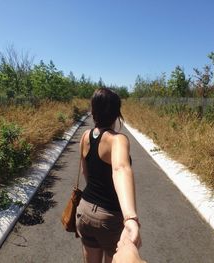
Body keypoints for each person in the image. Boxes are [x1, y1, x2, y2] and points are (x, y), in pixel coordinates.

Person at [76, 87, 141, 263]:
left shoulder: (84, 136)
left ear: (94, 109)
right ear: (116, 112)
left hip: (84, 211)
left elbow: (85, 172)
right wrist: (130, 217)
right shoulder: (117, 140)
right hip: (110, 218)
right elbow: (120, 168)